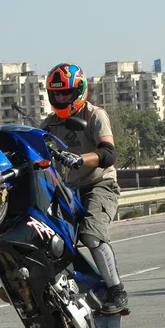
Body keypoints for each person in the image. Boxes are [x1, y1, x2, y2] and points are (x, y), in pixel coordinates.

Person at [40, 62, 128, 314]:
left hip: (100, 183)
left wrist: (81, 158)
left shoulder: (95, 115)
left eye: (66, 92)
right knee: (49, 238)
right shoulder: (49, 124)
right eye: (56, 93)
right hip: (68, 190)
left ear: (79, 90)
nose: (61, 97)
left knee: (90, 234)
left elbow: (108, 154)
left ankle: (117, 291)